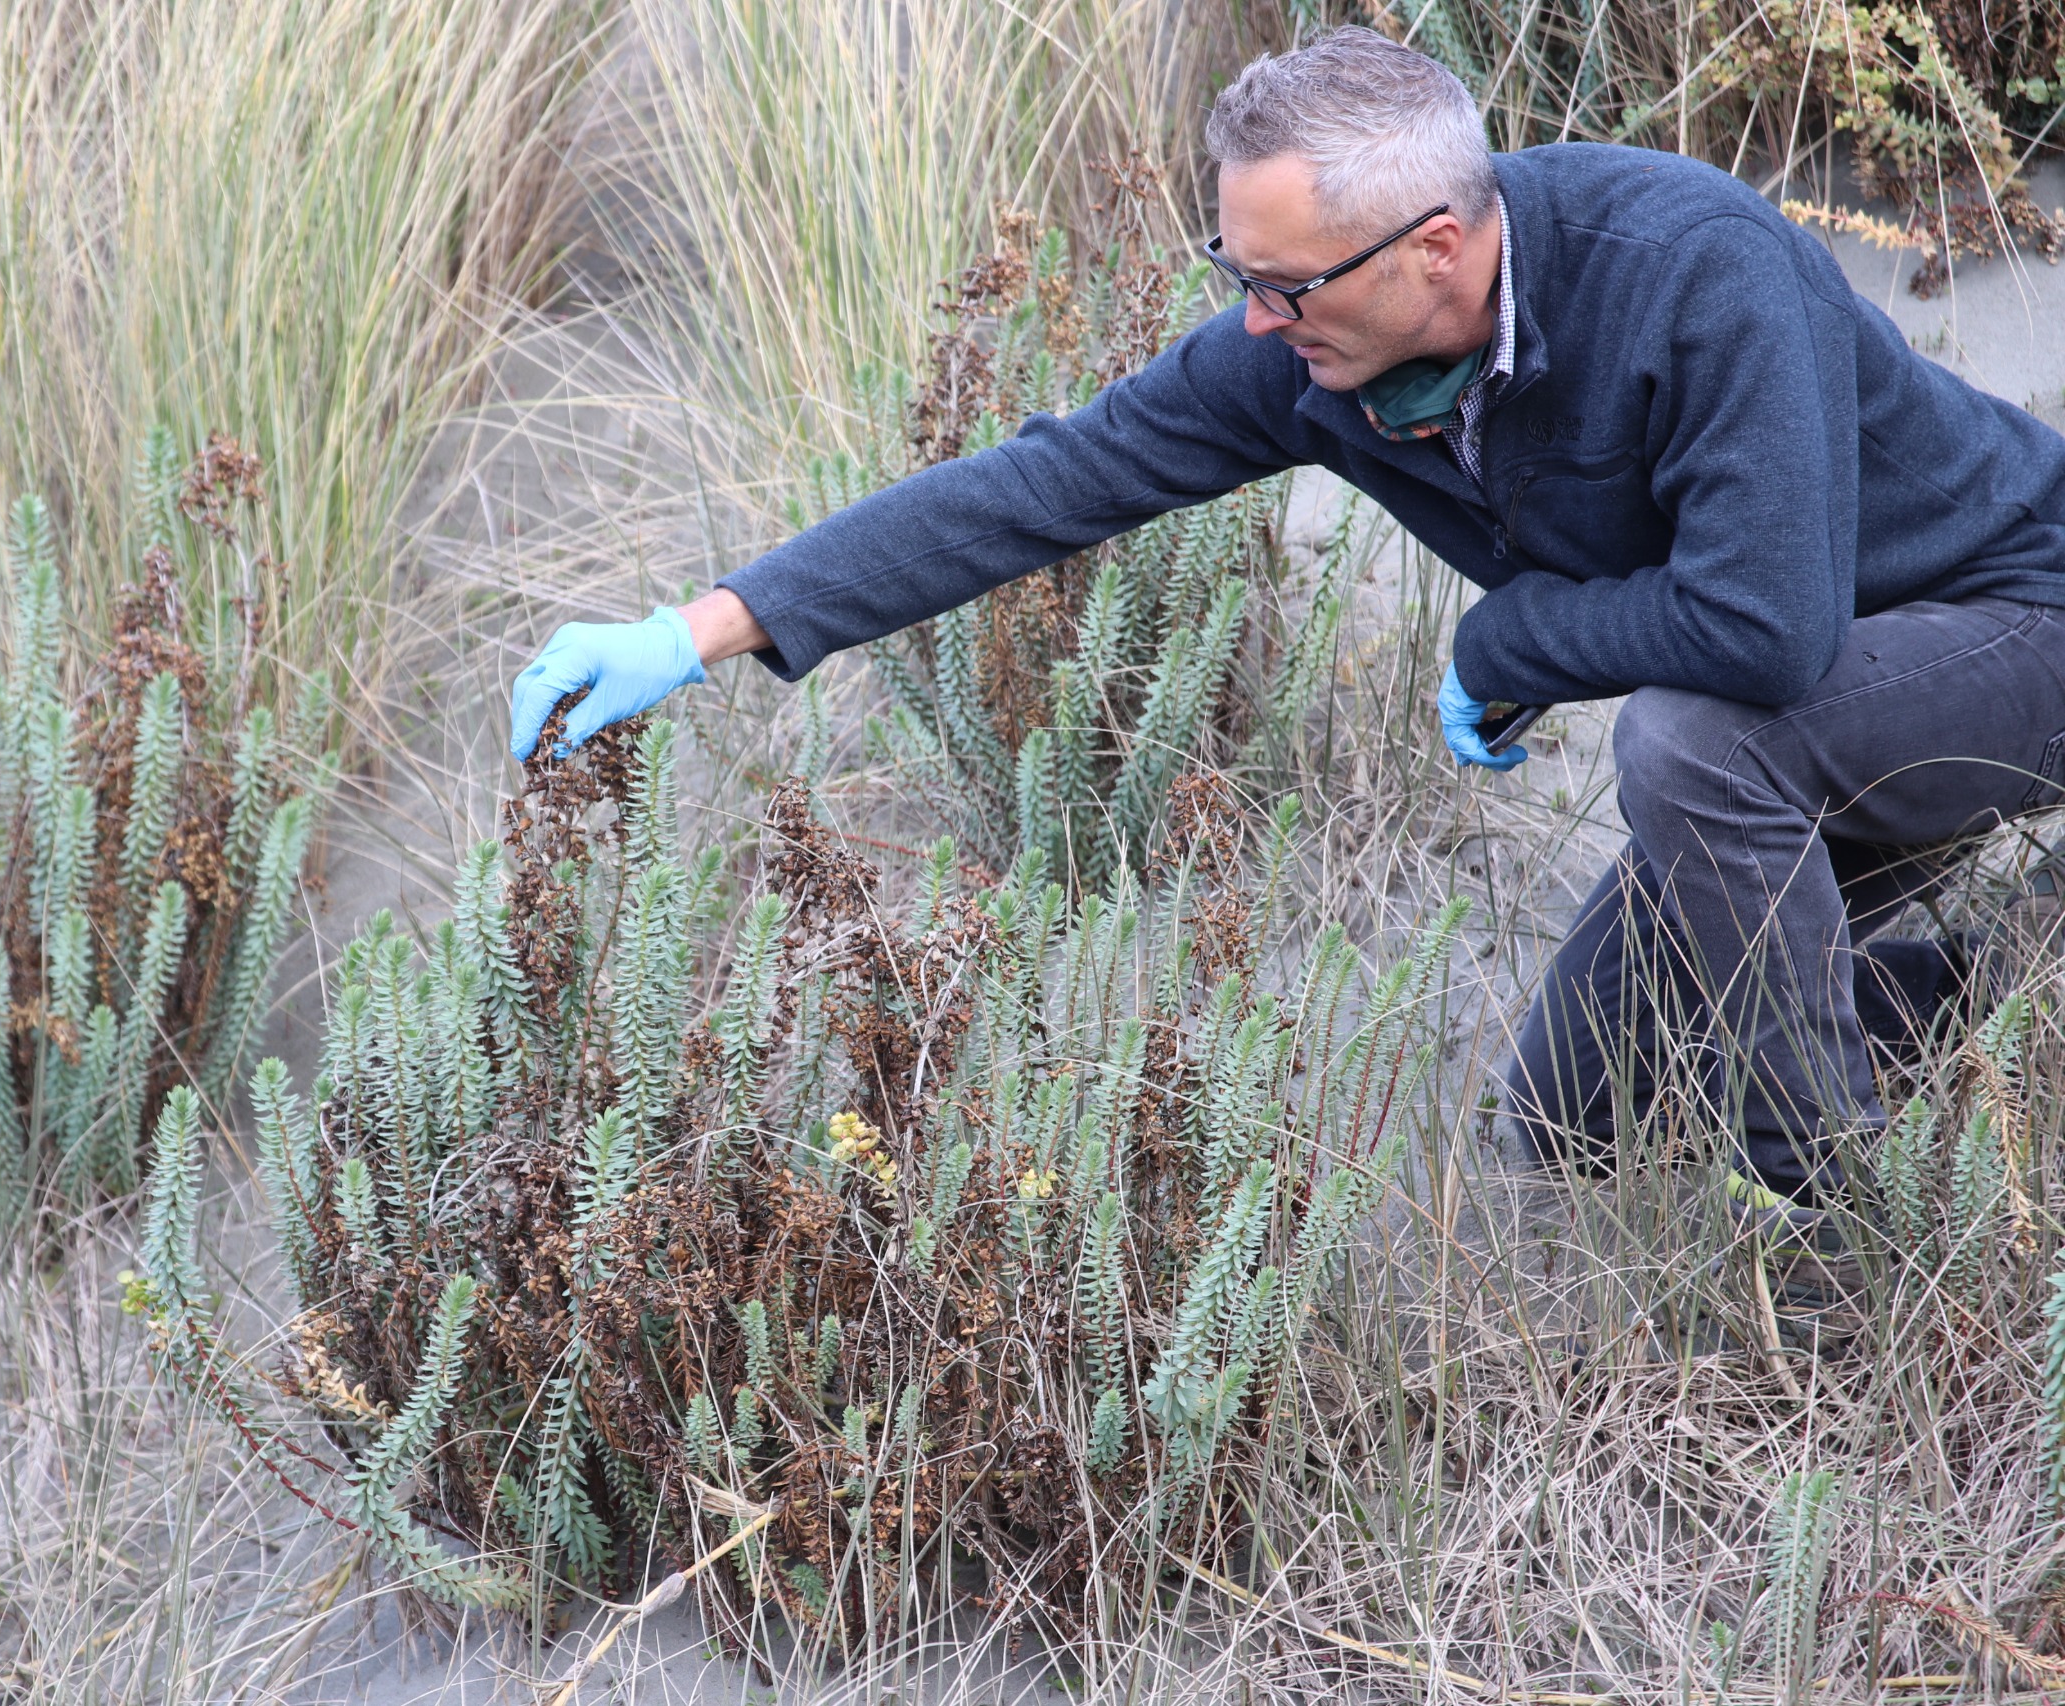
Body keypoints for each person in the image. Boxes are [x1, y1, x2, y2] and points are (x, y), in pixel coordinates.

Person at [506, 26, 2065, 1248]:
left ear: (1437, 248)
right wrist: (702, 625)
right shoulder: (1311, 349)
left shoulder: (1691, 270)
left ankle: (1844, 1210)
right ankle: (2010, 977)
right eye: (1232, 275)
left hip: (2019, 626)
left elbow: (1764, 629)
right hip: (1822, 732)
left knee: (1691, 737)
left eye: (1281, 284)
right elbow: (1043, 482)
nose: (1254, 322)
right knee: (1575, 1114)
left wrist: (1509, 641)